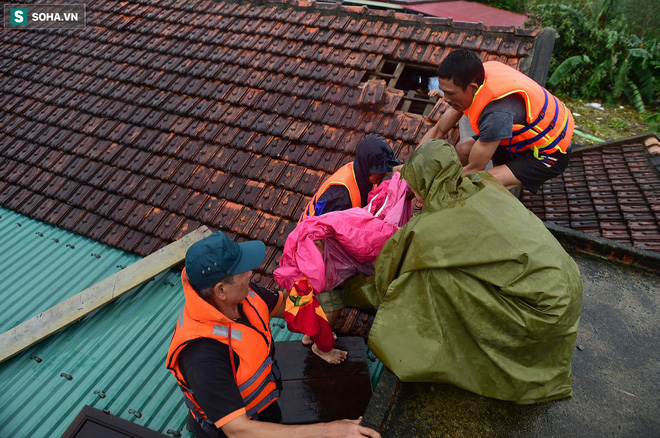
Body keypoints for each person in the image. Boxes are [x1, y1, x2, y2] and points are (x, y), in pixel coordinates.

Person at [355, 140, 583, 403]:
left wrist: (344, 288)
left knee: (428, 277)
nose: (414, 195)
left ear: (425, 185)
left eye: (416, 187)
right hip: (568, 283)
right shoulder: (483, 183)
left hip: (542, 311)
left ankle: (444, 351)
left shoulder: (429, 228)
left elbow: (385, 278)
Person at [166, 231, 381, 438]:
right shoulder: (202, 356)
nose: (251, 272)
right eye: (242, 271)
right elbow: (238, 431)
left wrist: (308, 270)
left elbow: (286, 304)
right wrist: (329, 431)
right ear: (221, 290)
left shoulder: (245, 295)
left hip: (264, 407)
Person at [297, 134, 400, 361]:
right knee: (333, 305)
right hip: (315, 248)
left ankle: (310, 334)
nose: (384, 174)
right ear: (367, 167)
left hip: (324, 243)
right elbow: (320, 232)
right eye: (380, 170)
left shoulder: (360, 174)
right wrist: (330, 272)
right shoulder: (341, 194)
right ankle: (319, 347)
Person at [418, 48, 574, 194]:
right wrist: (411, 167)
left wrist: (429, 189)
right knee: (463, 149)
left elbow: (474, 169)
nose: (445, 98)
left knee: (480, 183)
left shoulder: (496, 114)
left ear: (472, 88)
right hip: (516, 138)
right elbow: (439, 130)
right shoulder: (474, 75)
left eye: (450, 93)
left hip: (549, 153)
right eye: (443, 91)